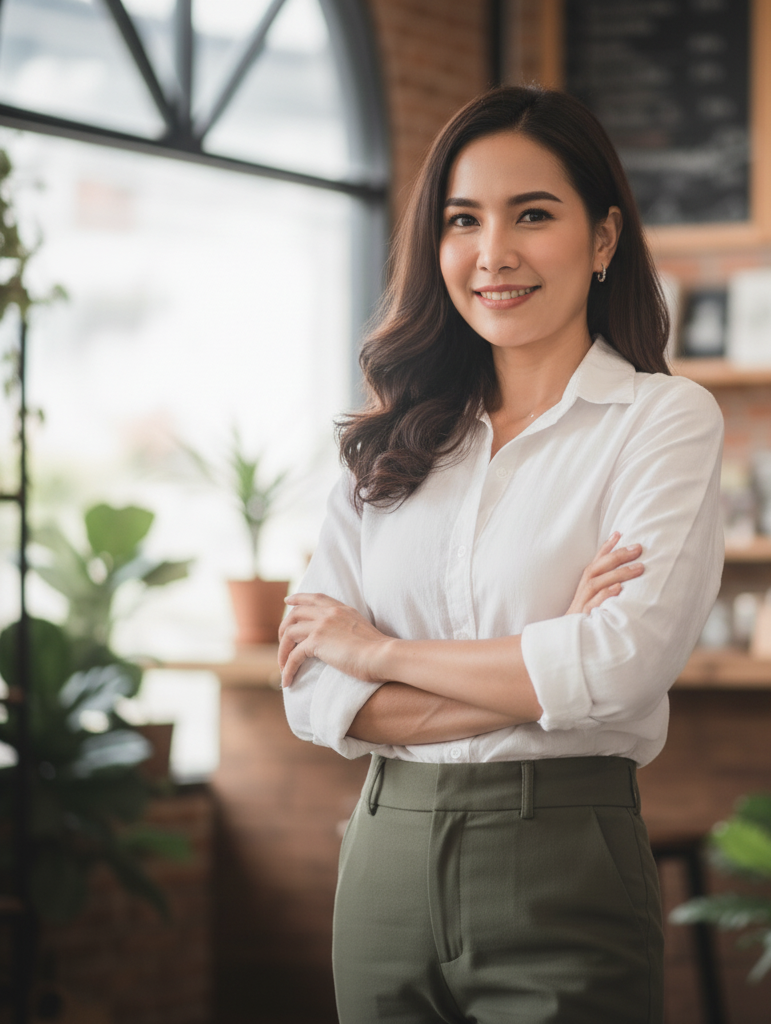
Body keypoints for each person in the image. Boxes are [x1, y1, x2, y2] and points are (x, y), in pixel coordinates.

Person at [278, 85, 724, 1024]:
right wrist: (540, 653)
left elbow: (617, 668)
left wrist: (381, 654)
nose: (494, 255)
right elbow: (315, 693)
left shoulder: (659, 420)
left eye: (533, 215)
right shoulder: (393, 442)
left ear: (603, 239)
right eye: (463, 220)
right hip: (383, 863)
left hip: (560, 856)